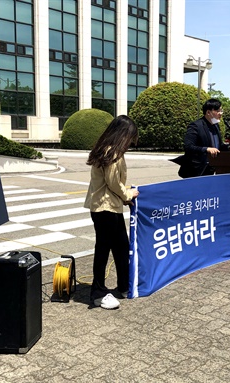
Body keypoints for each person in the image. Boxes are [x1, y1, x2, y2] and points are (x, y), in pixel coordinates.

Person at [84, 115, 140, 309]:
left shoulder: (106, 149)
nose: (131, 141)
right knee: (103, 251)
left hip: (108, 207)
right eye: (130, 137)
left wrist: (123, 198)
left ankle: (124, 285)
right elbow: (114, 183)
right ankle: (98, 294)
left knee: (121, 248)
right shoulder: (112, 153)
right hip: (105, 209)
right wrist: (128, 194)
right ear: (123, 135)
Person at [178, 98, 230, 178]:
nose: (220, 113)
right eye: (218, 111)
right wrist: (206, 149)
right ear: (208, 112)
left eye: (221, 110)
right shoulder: (196, 126)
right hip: (195, 171)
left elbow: (219, 146)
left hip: (210, 170)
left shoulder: (216, 126)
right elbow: (188, 147)